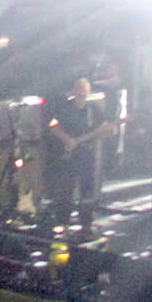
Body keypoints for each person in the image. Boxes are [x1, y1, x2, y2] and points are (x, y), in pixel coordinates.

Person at [41, 77, 113, 235]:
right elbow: (53, 125)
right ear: (73, 90)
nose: (81, 91)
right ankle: (62, 222)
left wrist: (93, 136)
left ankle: (86, 223)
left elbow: (107, 128)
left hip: (87, 154)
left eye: (84, 88)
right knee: (66, 189)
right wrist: (66, 139)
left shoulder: (93, 109)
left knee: (87, 190)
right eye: (79, 87)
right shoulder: (63, 108)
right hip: (68, 155)